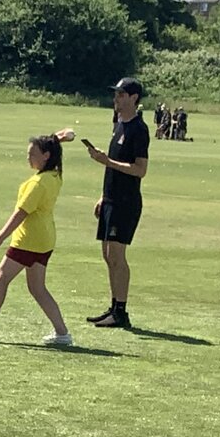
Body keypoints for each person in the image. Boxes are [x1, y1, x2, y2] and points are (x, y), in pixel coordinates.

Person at [0, 134, 75, 347]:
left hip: (28, 240)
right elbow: (50, 146)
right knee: (37, 288)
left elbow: (20, 214)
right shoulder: (55, 175)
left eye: (32, 154)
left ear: (46, 156)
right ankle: (62, 333)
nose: (28, 157)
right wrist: (59, 138)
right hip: (45, 239)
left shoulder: (38, 183)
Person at [73, 77, 150, 330]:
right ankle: (114, 306)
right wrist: (103, 196)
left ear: (133, 98)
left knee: (118, 255)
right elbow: (114, 166)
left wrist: (107, 162)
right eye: (116, 94)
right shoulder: (118, 123)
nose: (116, 99)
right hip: (111, 199)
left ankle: (121, 311)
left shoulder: (139, 129)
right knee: (107, 255)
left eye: (121, 95)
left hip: (126, 202)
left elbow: (140, 170)